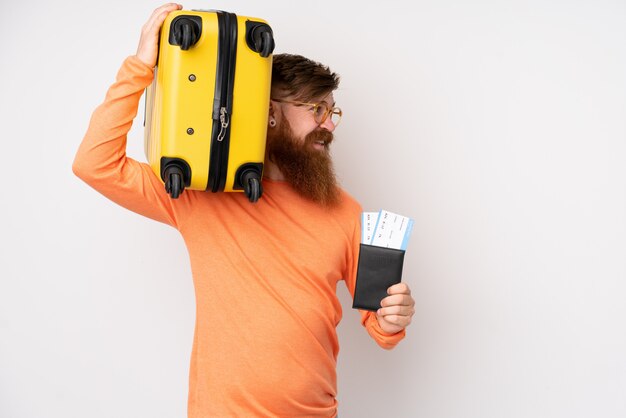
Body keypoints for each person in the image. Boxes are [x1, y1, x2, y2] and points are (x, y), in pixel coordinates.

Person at [72, 3, 415, 417]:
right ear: (269, 112)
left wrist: (394, 319)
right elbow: (95, 163)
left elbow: (380, 326)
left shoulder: (347, 212)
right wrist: (142, 64)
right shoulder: (202, 196)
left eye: (333, 111)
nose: (329, 125)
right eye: (317, 110)